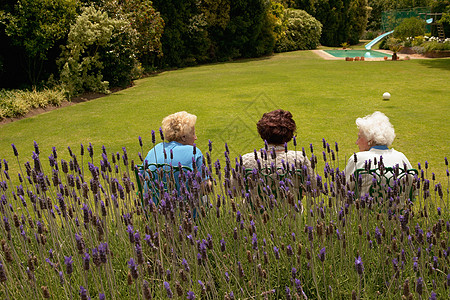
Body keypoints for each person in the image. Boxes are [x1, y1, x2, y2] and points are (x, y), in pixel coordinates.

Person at [344, 111, 413, 196]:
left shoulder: (358, 159)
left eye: (359, 137)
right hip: (398, 209)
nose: (356, 142)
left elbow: (340, 190)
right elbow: (413, 190)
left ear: (370, 141)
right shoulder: (401, 158)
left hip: (365, 208)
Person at [143, 111, 205, 203]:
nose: (195, 137)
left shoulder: (154, 150)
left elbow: (142, 178)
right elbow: (205, 188)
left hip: (154, 211)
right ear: (183, 137)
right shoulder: (194, 153)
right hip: (187, 211)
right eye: (193, 133)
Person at [240, 109, 314, 184]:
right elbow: (315, 189)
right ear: (289, 134)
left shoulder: (246, 160)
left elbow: (232, 190)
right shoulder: (299, 158)